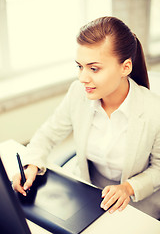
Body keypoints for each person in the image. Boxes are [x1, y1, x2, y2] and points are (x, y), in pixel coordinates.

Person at [13, 16, 160, 219]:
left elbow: (159, 169)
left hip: (138, 203)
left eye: (94, 68)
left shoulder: (154, 110)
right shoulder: (78, 93)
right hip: (87, 192)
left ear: (125, 67)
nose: (82, 78)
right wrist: (31, 165)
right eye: (79, 67)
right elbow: (48, 134)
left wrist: (128, 188)